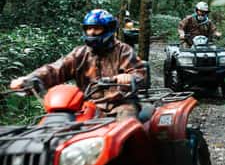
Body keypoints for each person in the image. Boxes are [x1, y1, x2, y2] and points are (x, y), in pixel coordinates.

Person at [10, 9, 146, 120]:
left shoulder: (123, 50)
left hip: (120, 104)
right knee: (54, 125)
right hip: (87, 105)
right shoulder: (80, 53)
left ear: (108, 30)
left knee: (127, 126)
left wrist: (128, 78)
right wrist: (30, 79)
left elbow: (138, 72)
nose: (91, 32)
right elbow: (56, 69)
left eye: (97, 28)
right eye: (88, 28)